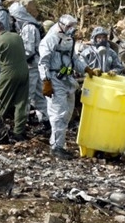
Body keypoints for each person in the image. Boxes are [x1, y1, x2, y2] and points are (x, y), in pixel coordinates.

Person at [38, 14, 94, 160]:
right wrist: (46, 81)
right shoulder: (50, 40)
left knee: (68, 112)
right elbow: (43, 62)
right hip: (54, 79)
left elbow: (73, 59)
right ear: (61, 25)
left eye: (73, 26)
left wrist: (86, 69)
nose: (72, 29)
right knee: (58, 113)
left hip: (68, 80)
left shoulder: (69, 40)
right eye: (69, 26)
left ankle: (59, 143)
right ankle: (56, 147)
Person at [0, 19, 30, 141]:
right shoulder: (17, 36)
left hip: (9, 73)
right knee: (21, 103)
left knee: (2, 102)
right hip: (24, 72)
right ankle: (19, 132)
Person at [8, 1, 49, 126]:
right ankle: (46, 120)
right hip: (35, 65)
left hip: (31, 66)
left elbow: (28, 50)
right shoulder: (28, 27)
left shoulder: (28, 28)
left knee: (25, 95)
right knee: (39, 95)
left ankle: (21, 123)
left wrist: (15, 59)